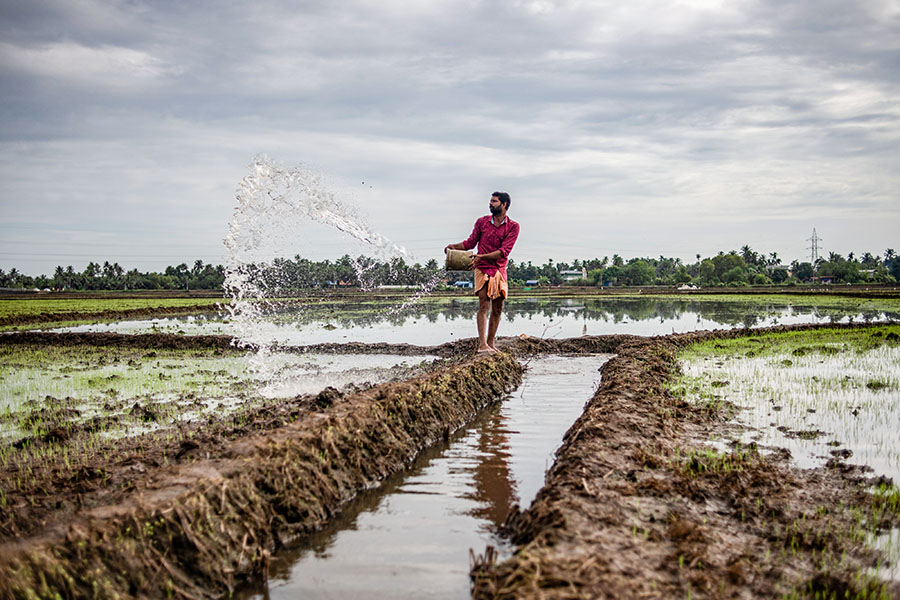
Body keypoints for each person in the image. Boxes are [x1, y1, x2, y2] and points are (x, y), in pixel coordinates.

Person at [445, 192, 520, 353]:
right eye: (490, 201)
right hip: (482, 268)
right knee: (484, 304)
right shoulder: (482, 222)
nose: (490, 204)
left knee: (498, 308)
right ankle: (482, 345)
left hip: (499, 269)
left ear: (504, 204)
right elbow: (470, 242)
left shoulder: (513, 226)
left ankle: (491, 343)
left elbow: (504, 252)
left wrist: (481, 256)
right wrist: (453, 246)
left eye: (494, 201)